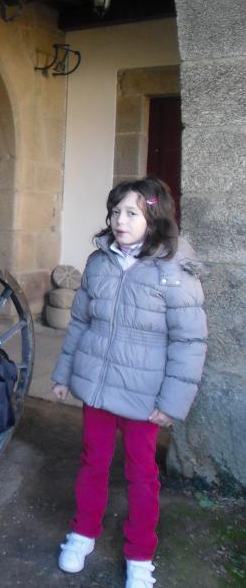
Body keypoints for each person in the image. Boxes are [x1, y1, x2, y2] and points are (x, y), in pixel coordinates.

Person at [51, 177, 207, 588]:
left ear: (154, 218)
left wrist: (172, 403)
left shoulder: (175, 271)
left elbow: (189, 342)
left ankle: (140, 554)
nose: (120, 220)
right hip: (98, 390)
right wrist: (64, 373)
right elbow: (80, 322)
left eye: (132, 213)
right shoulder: (99, 262)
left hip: (144, 398)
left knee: (142, 476)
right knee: (93, 463)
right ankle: (83, 532)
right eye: (116, 211)